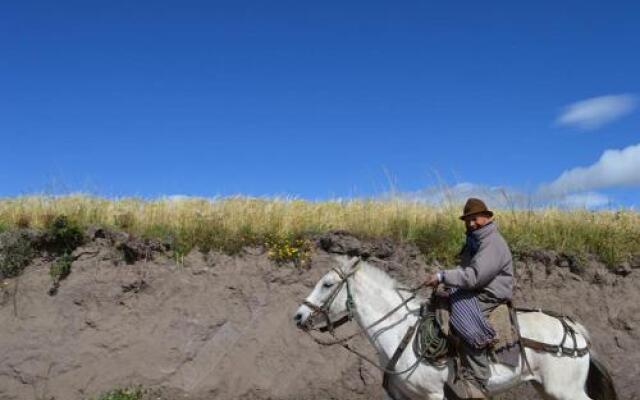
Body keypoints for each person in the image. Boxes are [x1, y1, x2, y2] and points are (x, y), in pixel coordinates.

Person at [423, 198, 514, 399]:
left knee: (464, 318)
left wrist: (442, 276)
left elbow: (474, 276)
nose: (471, 223)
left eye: (475, 219)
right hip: (478, 288)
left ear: (487, 217)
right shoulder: (475, 241)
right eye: (468, 220)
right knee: (441, 300)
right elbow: (465, 271)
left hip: (490, 293)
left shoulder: (492, 242)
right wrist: (446, 282)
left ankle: (477, 380)